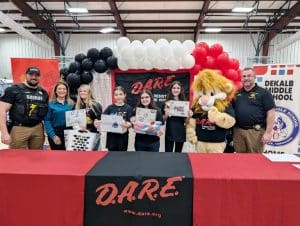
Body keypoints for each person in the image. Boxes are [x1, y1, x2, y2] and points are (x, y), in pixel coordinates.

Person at [0, 66, 49, 149]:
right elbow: (2, 110)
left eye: (36, 75)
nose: (34, 77)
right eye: (31, 74)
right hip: (19, 129)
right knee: (17, 158)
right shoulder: (13, 90)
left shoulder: (43, 93)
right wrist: (4, 133)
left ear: (39, 77)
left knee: (36, 158)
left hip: (38, 129)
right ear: (26, 75)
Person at [233, 67, 275, 153]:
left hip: (256, 132)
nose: (246, 78)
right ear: (241, 78)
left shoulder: (264, 93)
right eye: (244, 76)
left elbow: (271, 113)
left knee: (255, 160)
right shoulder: (236, 93)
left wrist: (268, 132)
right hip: (238, 132)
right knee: (239, 160)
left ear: (255, 77)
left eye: (249, 76)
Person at [101, 86, 133, 151]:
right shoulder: (110, 108)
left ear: (125, 95)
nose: (118, 96)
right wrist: (99, 122)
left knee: (122, 157)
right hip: (111, 139)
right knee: (111, 157)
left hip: (122, 139)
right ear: (114, 96)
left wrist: (128, 124)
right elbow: (103, 119)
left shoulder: (128, 108)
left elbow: (130, 123)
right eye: (116, 95)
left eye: (120, 94)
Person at [162, 81, 191, 152]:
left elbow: (186, 122)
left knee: (178, 154)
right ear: (171, 89)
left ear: (181, 90)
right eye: (174, 88)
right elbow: (163, 120)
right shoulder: (166, 103)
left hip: (180, 131)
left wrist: (189, 116)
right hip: (170, 131)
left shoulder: (184, 103)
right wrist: (166, 114)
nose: (176, 90)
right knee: (168, 154)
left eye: (178, 88)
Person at [44, 81, 74, 150]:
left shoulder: (71, 103)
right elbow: (47, 121)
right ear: (56, 91)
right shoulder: (50, 104)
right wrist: (53, 136)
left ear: (67, 91)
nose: (62, 91)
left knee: (71, 156)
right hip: (56, 133)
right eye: (59, 89)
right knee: (58, 157)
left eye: (64, 89)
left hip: (70, 133)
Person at [75, 84, 102, 150]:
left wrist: (97, 122)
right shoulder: (77, 105)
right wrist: (78, 126)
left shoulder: (95, 104)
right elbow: (74, 120)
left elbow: (100, 119)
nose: (82, 92)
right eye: (80, 91)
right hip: (81, 135)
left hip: (93, 134)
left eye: (85, 91)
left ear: (89, 92)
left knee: (95, 155)